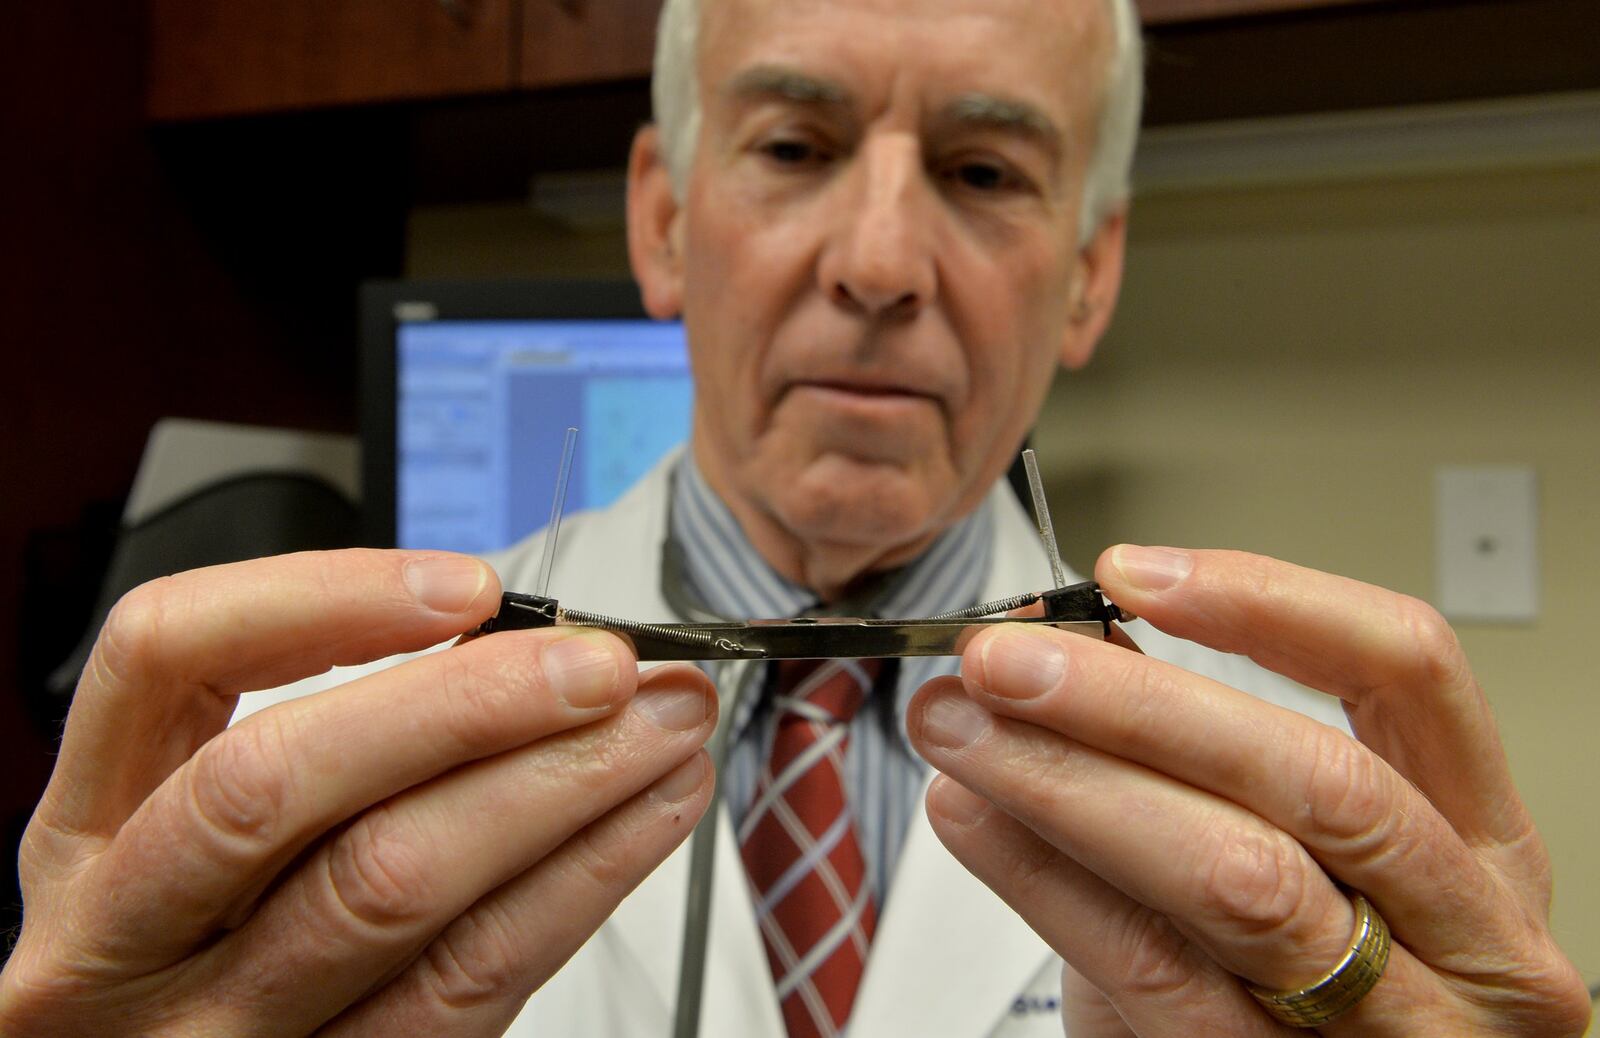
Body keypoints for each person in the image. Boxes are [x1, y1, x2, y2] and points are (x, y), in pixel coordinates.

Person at [1, 0, 1589, 1035]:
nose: (881, 262)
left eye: (981, 169)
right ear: (664, 218)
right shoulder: (308, 758)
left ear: (1089, 271)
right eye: (794, 146)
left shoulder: (1304, 815)